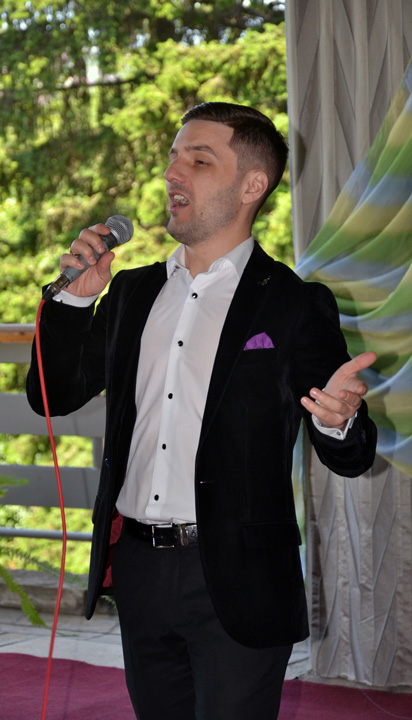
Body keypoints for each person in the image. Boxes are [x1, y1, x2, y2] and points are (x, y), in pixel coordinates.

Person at [27, 102, 377, 720]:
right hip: (138, 568)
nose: (172, 172)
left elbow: (353, 454)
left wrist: (336, 420)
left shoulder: (293, 304)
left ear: (251, 185)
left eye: (199, 159)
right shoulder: (131, 291)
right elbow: (50, 398)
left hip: (239, 578)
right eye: (172, 157)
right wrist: (75, 304)